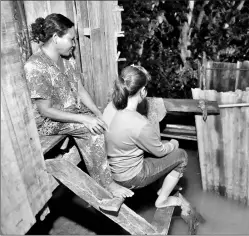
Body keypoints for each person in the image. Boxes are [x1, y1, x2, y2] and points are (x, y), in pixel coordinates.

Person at [24, 13, 133, 198]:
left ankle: (120, 169)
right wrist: (85, 118)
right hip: (48, 121)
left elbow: (80, 90)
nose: (74, 44)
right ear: (56, 38)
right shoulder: (35, 66)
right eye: (71, 39)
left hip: (71, 111)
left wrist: (98, 113)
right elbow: (45, 110)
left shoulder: (68, 59)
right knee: (92, 128)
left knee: (104, 118)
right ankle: (105, 185)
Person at [103, 65, 189, 208]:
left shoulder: (112, 110)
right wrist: (174, 143)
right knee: (181, 155)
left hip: (116, 170)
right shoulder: (140, 123)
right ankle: (162, 200)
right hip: (133, 177)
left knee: (165, 144)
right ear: (143, 91)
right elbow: (159, 151)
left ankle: (164, 186)